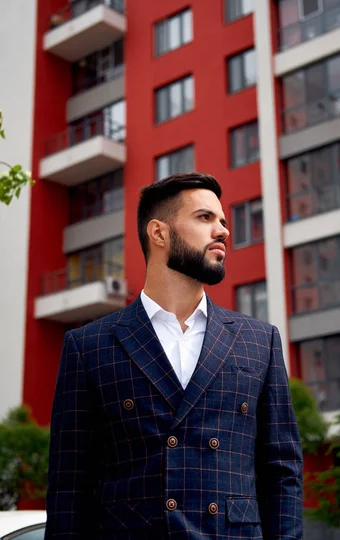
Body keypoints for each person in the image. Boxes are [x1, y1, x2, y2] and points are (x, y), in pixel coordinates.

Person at [45, 172, 303, 540]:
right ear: (159, 233)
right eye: (204, 218)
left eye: (223, 221)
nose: (223, 231)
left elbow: (282, 471)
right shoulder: (89, 346)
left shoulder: (260, 341)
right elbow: (69, 485)